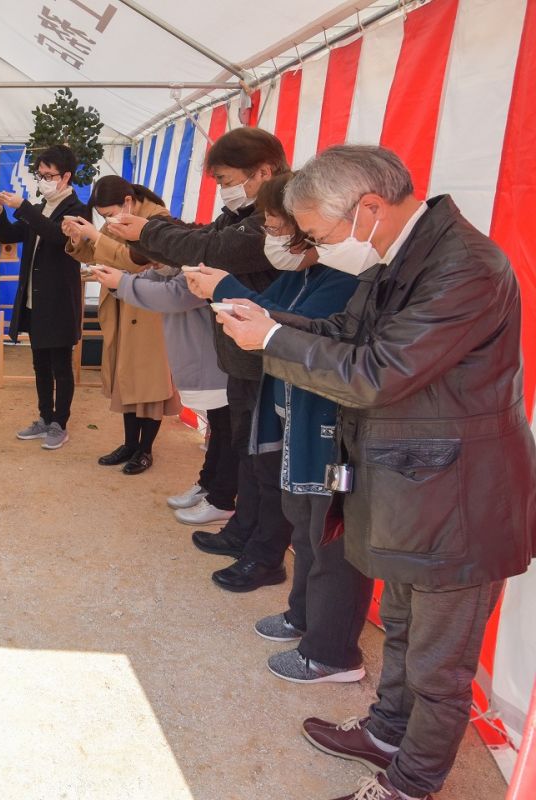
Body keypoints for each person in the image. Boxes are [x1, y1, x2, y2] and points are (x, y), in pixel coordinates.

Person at [216, 145, 536, 800]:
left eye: (317, 234)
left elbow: (376, 373)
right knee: (401, 624)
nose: (312, 245)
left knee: (439, 667)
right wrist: (272, 319)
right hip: (419, 488)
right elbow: (345, 330)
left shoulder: (465, 266)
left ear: (368, 208)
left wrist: (272, 342)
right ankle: (388, 729)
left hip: (462, 499)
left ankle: (409, 784)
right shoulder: (409, 255)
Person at [186, 172, 369, 685]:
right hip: (295, 419)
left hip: (328, 431)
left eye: (282, 230)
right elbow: (278, 317)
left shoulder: (350, 279)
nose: (277, 243)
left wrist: (226, 290)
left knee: (329, 539)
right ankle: (304, 617)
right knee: (305, 527)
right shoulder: (309, 275)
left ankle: (332, 651)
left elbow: (290, 327)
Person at [112, 127, 293, 592]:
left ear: (265, 171)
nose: (222, 189)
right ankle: (243, 532)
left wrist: (148, 230)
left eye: (226, 178)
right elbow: (204, 237)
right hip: (241, 351)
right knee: (247, 453)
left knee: (265, 459)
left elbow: (212, 248)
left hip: (269, 354)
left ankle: (264, 552)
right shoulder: (245, 211)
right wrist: (146, 238)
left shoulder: (274, 215)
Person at [89, 261, 232, 519]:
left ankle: (218, 496)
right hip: (133, 311)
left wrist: (122, 279)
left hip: (159, 325)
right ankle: (208, 485)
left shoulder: (197, 250)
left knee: (157, 390)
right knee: (220, 425)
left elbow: (176, 293)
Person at [62, 177, 178, 474]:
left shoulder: (158, 220)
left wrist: (97, 237)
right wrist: (78, 239)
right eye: (101, 215)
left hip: (150, 309)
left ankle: (145, 449)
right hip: (122, 305)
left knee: (149, 382)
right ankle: (129, 444)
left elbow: (136, 261)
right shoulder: (118, 217)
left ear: (128, 200)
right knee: (125, 377)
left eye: (109, 212)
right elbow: (97, 251)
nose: (107, 219)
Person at [0, 144, 89, 450]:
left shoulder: (77, 209)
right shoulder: (41, 206)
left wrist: (24, 207)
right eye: (40, 174)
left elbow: (58, 236)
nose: (43, 179)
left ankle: (60, 423)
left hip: (59, 301)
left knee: (61, 365)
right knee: (39, 364)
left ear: (66, 177)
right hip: (34, 298)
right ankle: (44, 418)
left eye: (49, 174)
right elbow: (10, 235)